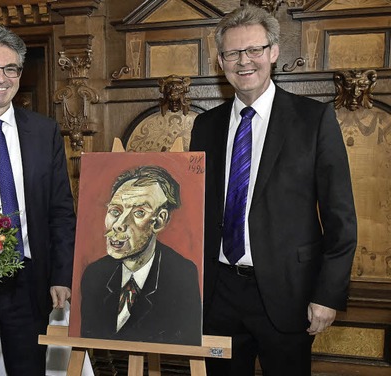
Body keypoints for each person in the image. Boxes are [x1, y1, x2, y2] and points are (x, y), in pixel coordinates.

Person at [189, 5, 357, 376]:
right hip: (218, 296)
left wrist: (327, 295)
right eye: (233, 53)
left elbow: (340, 217)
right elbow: (194, 210)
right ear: (220, 61)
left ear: (273, 52)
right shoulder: (205, 126)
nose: (244, 61)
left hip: (289, 296)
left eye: (254, 50)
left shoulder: (313, 120)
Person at [0, 25, 76, 375]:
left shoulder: (45, 131)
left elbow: (61, 210)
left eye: (10, 69)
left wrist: (62, 274)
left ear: (20, 75)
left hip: (29, 277)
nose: (0, 78)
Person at [80, 165, 201, 345]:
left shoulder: (181, 275)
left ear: (160, 221)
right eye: (115, 211)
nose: (119, 225)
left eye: (138, 213)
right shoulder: (95, 274)